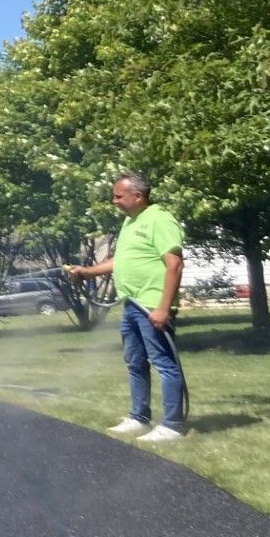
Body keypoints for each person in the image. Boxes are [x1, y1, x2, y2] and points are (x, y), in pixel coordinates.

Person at [65, 173, 188, 442]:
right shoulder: (132, 221)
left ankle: (172, 425)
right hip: (132, 303)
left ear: (138, 196)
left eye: (119, 196)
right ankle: (139, 418)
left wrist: (163, 308)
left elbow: (175, 265)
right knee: (135, 362)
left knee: (164, 364)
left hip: (151, 305)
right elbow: (121, 261)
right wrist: (87, 272)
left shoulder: (159, 219)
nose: (114, 201)